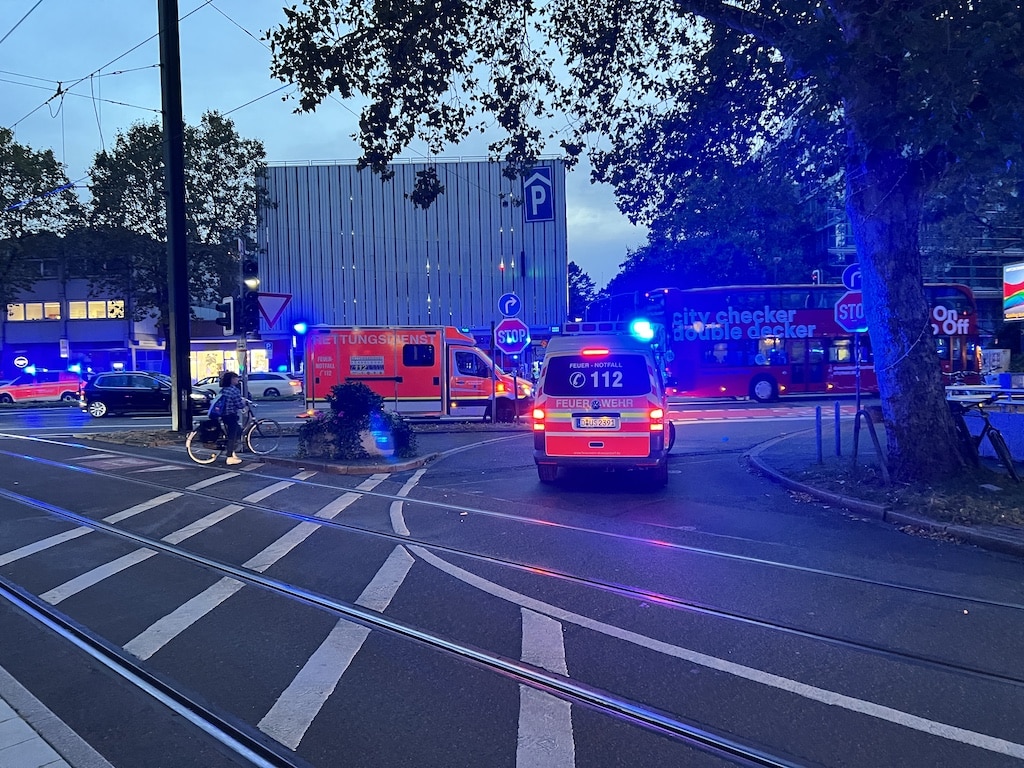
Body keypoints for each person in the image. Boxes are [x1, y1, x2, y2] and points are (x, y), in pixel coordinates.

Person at [219, 370, 245, 465]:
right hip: (231, 415)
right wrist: (243, 403)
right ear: (232, 379)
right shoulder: (234, 390)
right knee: (232, 435)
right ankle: (229, 457)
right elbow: (239, 405)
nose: (238, 379)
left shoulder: (224, 389)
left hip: (224, 415)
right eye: (236, 378)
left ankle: (232, 451)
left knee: (237, 431)